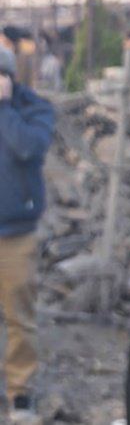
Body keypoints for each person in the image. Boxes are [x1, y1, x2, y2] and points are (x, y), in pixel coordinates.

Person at [0, 47, 55, 422]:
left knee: (20, 316)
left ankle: (20, 392)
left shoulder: (34, 109)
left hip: (16, 233)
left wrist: (4, 108)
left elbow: (28, 148)